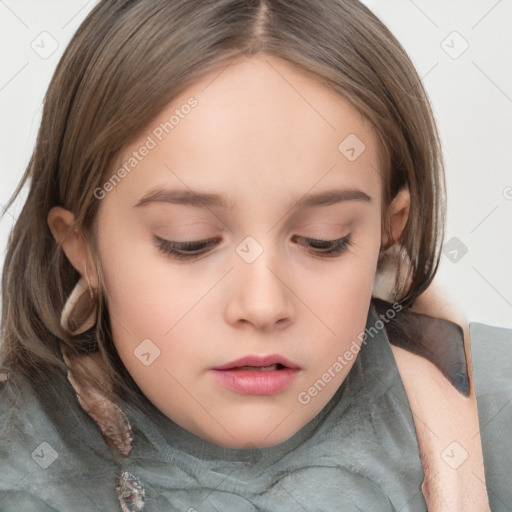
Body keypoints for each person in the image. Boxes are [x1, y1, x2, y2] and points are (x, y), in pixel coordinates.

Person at [0, 1, 510, 511]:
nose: (263, 305)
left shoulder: (493, 406)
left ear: (387, 231)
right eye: (189, 241)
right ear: (82, 247)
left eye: (322, 239)